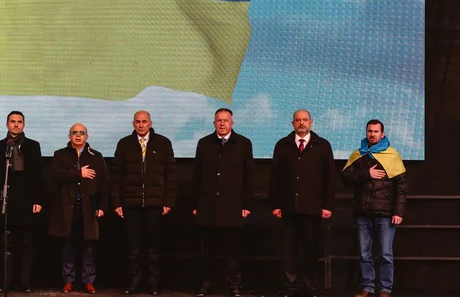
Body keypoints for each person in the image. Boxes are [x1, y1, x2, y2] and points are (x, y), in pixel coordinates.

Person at [269, 109, 334, 297]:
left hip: (312, 208)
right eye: (298, 120)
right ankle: (291, 286)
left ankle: (309, 285)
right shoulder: (283, 145)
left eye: (305, 120)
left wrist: (327, 206)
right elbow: (275, 178)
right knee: (289, 250)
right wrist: (275, 204)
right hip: (288, 208)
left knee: (310, 249)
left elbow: (330, 179)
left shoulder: (322, 145)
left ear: (311, 122)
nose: (301, 123)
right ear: (292, 123)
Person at [111, 110, 177, 295]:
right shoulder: (124, 144)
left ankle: (153, 285)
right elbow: (116, 177)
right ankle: (133, 283)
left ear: (150, 123)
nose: (141, 125)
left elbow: (171, 175)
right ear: (133, 124)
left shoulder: (163, 143)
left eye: (144, 122)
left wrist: (169, 201)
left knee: (154, 250)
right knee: (133, 250)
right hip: (130, 205)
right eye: (138, 122)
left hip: (155, 205)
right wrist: (116, 202)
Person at [191, 108, 254, 297]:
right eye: (219, 120)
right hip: (207, 206)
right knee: (206, 251)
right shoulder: (204, 143)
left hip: (232, 207)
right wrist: (196, 205)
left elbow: (249, 176)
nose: (222, 123)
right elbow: (197, 176)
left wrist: (247, 205)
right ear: (214, 123)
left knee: (232, 250)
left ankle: (234, 285)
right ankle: (206, 284)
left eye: (226, 120)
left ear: (232, 123)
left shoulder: (243, 144)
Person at [341, 120, 406, 297]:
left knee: (385, 253)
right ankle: (367, 287)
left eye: (376, 131)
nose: (372, 134)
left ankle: (385, 289)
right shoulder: (359, 154)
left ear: (382, 134)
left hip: (385, 213)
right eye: (370, 131)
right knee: (364, 253)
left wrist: (398, 212)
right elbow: (345, 177)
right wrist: (366, 174)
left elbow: (400, 187)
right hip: (363, 212)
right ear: (366, 132)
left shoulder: (392, 155)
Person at [48, 123, 108, 294]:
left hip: (89, 208)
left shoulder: (96, 156)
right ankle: (69, 280)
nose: (78, 136)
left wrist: (103, 206)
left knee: (89, 247)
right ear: (69, 136)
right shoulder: (60, 155)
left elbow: (104, 183)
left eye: (82, 133)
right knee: (68, 247)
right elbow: (55, 175)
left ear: (87, 137)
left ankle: (89, 281)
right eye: (75, 133)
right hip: (67, 209)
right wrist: (78, 174)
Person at [0, 111, 43, 293]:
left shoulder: (33, 146)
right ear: (7, 125)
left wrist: (38, 200)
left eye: (19, 122)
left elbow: (38, 176)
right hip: (7, 202)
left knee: (27, 245)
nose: (16, 125)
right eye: (13, 122)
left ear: (24, 125)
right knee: (6, 245)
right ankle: (5, 281)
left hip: (27, 201)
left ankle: (26, 282)